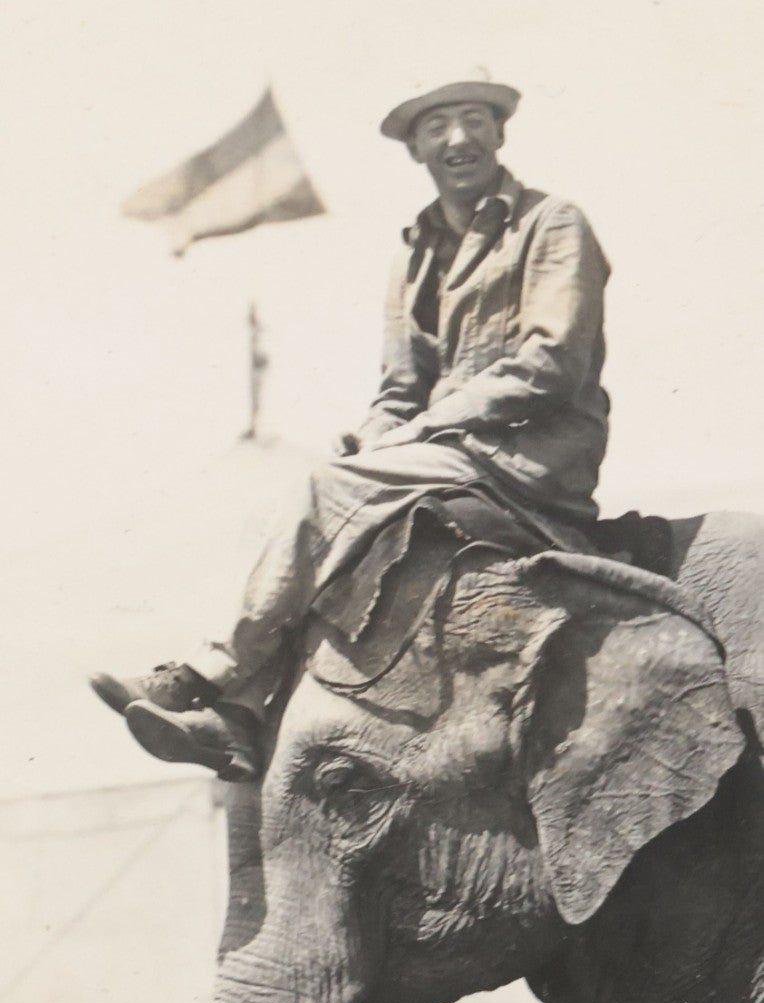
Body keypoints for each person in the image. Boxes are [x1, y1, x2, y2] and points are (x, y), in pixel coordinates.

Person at [91, 76, 611, 779]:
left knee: (322, 493)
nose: (457, 138)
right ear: (415, 148)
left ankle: (206, 681)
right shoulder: (415, 254)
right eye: (437, 127)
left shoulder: (554, 222)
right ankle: (243, 719)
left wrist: (418, 430)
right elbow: (399, 388)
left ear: (499, 132)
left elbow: (551, 365)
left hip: (528, 461)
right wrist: (375, 436)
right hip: (446, 453)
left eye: (473, 120)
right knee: (296, 500)